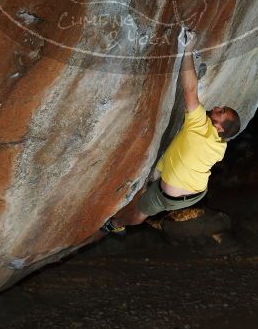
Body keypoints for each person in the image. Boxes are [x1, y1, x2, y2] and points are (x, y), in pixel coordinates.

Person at [101, 29, 241, 235]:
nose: (218, 107)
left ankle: (114, 225)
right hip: (195, 194)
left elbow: (190, 91)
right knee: (148, 201)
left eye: (221, 112)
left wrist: (187, 51)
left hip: (169, 196)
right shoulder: (220, 144)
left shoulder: (200, 125)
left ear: (219, 127)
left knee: (139, 215)